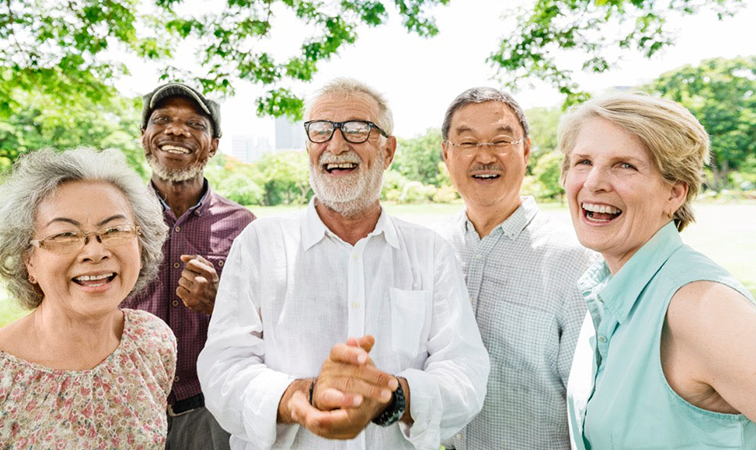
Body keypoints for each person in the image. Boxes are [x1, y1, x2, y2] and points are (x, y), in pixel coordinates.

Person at [197, 78, 489, 450]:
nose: (336, 145)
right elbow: (223, 369)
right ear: (307, 147)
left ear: (388, 151)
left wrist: (391, 395)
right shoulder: (260, 244)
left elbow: (465, 373)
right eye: (321, 131)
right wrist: (302, 397)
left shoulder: (429, 252)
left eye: (357, 129)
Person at [559, 93, 756, 449]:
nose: (594, 182)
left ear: (675, 193)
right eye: (583, 161)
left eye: (625, 165)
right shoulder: (607, 288)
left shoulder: (700, 305)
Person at [0, 148, 175, 449]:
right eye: (64, 235)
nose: (95, 251)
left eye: (115, 230)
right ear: (28, 260)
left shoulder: (152, 341)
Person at [435, 87, 596, 449]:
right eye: (468, 142)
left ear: (525, 149)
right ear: (446, 153)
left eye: (501, 140)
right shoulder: (432, 249)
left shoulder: (573, 257)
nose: (485, 156)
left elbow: (591, 402)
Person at [121, 82, 256, 450]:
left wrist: (220, 301)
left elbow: (269, 324)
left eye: (195, 124)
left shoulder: (244, 225)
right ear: (144, 137)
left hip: (209, 411)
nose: (176, 130)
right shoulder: (113, 217)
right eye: (162, 119)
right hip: (125, 406)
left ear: (213, 144)